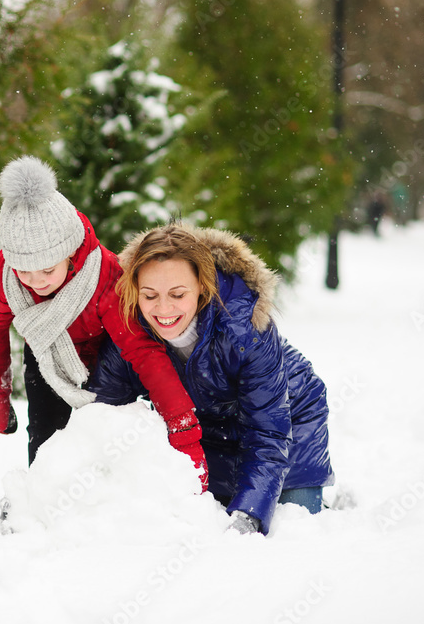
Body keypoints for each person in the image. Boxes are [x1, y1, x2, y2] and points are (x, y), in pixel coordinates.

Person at [0, 157, 207, 490]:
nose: (35, 281)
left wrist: (184, 429)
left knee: (103, 437)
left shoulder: (105, 278)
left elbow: (143, 352)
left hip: (104, 360)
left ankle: (110, 501)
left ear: (70, 253)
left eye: (47, 270)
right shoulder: (5, 279)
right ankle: (42, 501)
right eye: (24, 270)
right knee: (45, 437)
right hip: (44, 355)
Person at [86, 223, 334, 535]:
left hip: (288, 418)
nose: (163, 309)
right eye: (150, 295)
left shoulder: (243, 327)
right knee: (204, 510)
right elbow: (99, 420)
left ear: (203, 285)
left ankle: (321, 503)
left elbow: (268, 433)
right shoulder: (128, 331)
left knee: (292, 520)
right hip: (209, 425)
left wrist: (249, 515)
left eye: (177, 294)